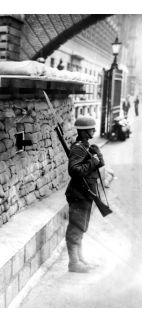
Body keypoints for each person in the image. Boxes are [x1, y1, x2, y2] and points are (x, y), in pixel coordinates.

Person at [65, 115, 105, 273]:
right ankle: (74, 263)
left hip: (86, 193)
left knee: (80, 227)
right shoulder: (78, 148)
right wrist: (92, 161)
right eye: (91, 128)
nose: (94, 130)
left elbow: (100, 163)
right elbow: (74, 170)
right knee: (75, 228)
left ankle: (80, 259)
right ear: (83, 131)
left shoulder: (87, 147)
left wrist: (97, 154)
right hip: (78, 193)